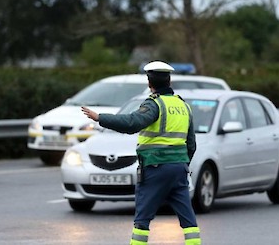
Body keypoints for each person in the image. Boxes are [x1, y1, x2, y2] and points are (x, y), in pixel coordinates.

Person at [81, 60, 201, 245]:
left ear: (149, 83)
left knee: (142, 218)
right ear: (169, 82)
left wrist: (100, 118)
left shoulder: (154, 105)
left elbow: (132, 123)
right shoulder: (183, 106)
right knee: (188, 218)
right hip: (179, 168)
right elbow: (191, 144)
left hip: (155, 167)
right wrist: (183, 163)